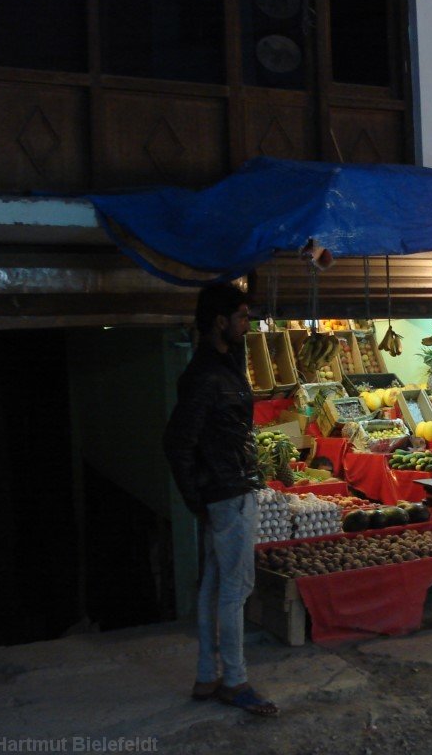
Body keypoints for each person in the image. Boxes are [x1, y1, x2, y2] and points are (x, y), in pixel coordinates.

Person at [163, 282, 278, 717]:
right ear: (220, 322)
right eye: (243, 317)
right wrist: (201, 497)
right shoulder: (206, 376)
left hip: (227, 491)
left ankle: (207, 675)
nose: (247, 324)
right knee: (235, 588)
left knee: (215, 586)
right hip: (227, 492)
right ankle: (235, 681)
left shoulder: (223, 366)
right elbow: (177, 442)